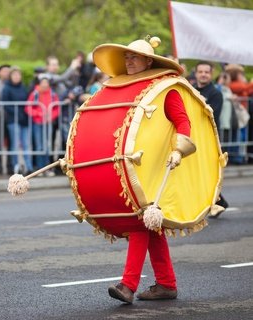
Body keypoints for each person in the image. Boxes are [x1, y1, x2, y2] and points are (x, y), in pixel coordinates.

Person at [90, 37, 198, 304]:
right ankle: (166, 283)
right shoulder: (120, 88)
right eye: (126, 57)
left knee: (140, 222)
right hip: (130, 170)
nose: (129, 62)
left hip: (156, 168)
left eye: (134, 57)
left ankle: (128, 285)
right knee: (150, 226)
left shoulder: (164, 89)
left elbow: (183, 122)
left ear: (148, 61)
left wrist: (178, 150)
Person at [193, 61, 229, 215]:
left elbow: (212, 115)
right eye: (200, 71)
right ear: (196, 74)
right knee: (197, 171)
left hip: (210, 139)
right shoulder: (192, 90)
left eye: (206, 72)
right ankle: (217, 202)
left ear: (211, 74)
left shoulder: (215, 93)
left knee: (208, 172)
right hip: (195, 136)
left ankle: (218, 202)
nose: (203, 74)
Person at [26, 75, 60, 175]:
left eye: (46, 83)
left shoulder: (53, 94)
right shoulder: (35, 93)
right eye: (43, 82)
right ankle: (40, 169)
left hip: (48, 123)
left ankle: (47, 168)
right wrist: (38, 114)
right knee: (39, 146)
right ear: (39, 84)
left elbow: (57, 108)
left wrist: (52, 116)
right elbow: (28, 107)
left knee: (47, 146)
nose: (45, 85)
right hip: (38, 123)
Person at [2, 66, 32, 175]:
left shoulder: (23, 87)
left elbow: (28, 101)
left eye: (18, 75)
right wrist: (17, 113)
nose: (16, 77)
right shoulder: (6, 88)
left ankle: (28, 166)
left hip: (24, 119)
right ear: (10, 76)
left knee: (26, 144)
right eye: (14, 75)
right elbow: (6, 104)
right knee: (14, 144)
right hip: (12, 119)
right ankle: (16, 167)